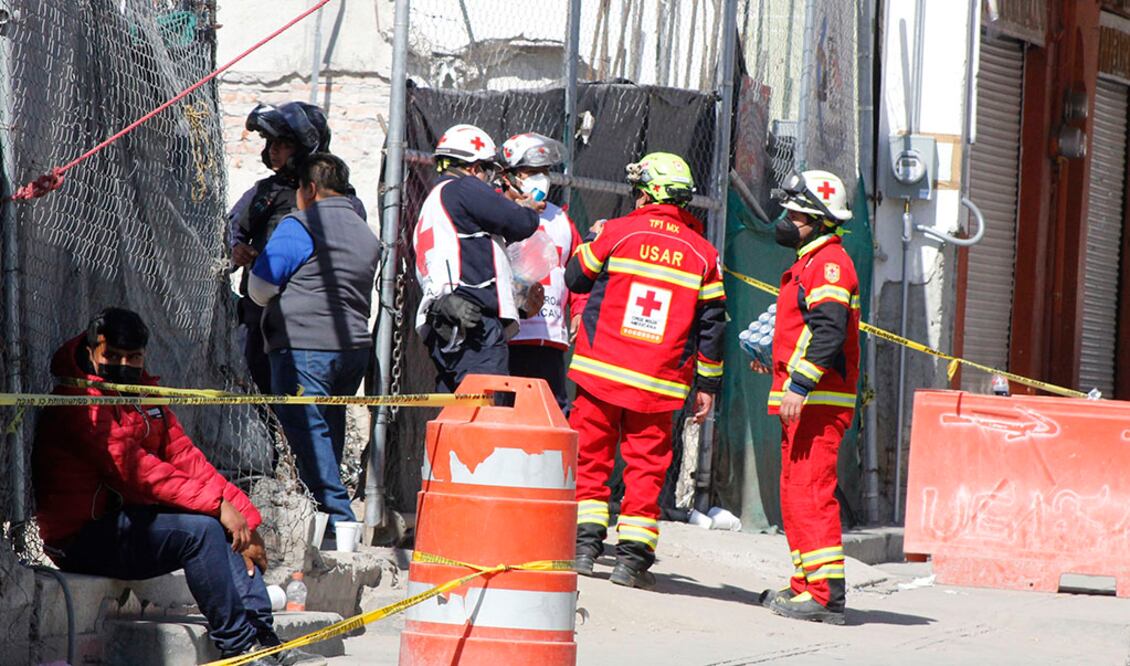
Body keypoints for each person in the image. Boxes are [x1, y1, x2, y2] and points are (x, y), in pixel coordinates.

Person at [32, 308, 321, 665]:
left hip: (129, 521)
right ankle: (241, 649)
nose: (123, 365)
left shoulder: (144, 397)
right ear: (92, 351)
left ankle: (264, 639)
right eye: (112, 356)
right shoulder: (78, 405)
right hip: (82, 538)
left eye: (133, 357)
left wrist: (244, 518)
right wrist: (218, 507)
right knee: (201, 531)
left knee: (227, 529)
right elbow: (137, 473)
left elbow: (186, 458)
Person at [565, 152, 726, 589]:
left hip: (601, 371)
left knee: (590, 459)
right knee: (647, 468)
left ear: (648, 193)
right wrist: (707, 384)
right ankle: (632, 561)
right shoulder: (704, 254)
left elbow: (576, 278)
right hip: (659, 383)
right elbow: (711, 329)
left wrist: (591, 240)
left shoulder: (617, 233)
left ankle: (583, 548)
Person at [248, 153, 381, 537]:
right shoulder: (363, 231)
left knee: (308, 434)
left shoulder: (301, 224)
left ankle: (339, 521)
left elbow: (261, 287)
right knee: (327, 431)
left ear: (309, 189)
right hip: (352, 350)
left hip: (303, 346)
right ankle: (325, 525)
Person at [750, 169, 860, 625]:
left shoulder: (829, 264)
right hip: (805, 399)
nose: (785, 221)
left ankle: (824, 594)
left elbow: (830, 329)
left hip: (818, 401)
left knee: (810, 494)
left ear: (818, 221)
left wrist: (799, 384)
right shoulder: (809, 262)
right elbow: (805, 330)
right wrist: (774, 364)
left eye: (795, 215)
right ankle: (804, 584)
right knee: (795, 495)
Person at [229, 101, 365, 395]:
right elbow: (233, 228)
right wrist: (237, 248)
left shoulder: (341, 201)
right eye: (271, 143)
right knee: (258, 398)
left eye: (284, 144)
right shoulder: (264, 192)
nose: (274, 150)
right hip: (260, 317)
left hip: (310, 330)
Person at [412, 123, 541, 392]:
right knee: (485, 414)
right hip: (472, 324)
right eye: (486, 170)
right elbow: (519, 223)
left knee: (454, 414)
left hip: (446, 320)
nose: (488, 179)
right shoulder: (463, 188)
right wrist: (527, 208)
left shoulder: (434, 201)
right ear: (473, 168)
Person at [498, 132, 583, 412]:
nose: (541, 178)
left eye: (545, 171)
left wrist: (579, 310)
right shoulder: (494, 211)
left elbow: (577, 270)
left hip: (549, 339)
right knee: (505, 414)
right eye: (532, 172)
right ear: (508, 175)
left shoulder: (560, 218)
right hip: (507, 338)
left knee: (550, 415)